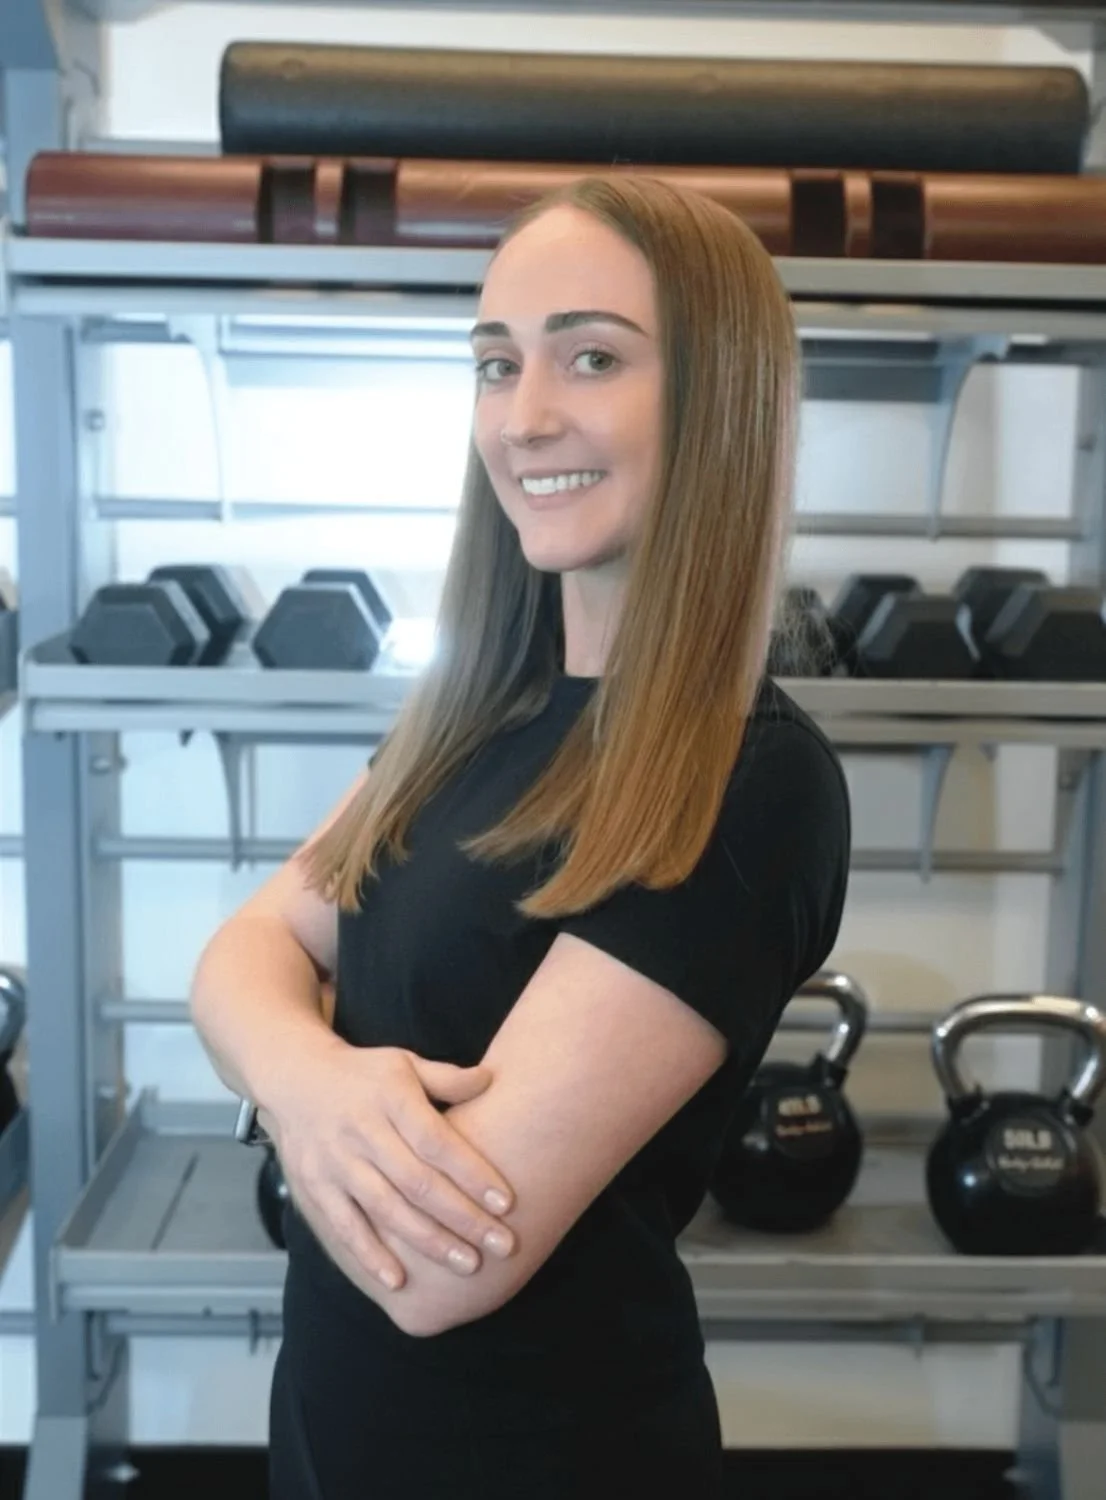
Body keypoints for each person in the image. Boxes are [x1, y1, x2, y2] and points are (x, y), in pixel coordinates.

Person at [189, 173, 851, 1500]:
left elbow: (440, 1267)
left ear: (719, 397)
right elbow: (243, 948)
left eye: (591, 357)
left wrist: (285, 1074)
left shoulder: (748, 778)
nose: (523, 417)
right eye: (496, 364)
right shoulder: (471, 713)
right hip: (334, 1432)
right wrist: (309, 1087)